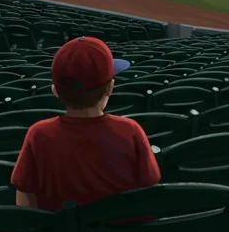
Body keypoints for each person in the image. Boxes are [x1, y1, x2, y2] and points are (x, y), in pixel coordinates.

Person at [11, 36, 161, 211]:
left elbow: (25, 193)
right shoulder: (130, 130)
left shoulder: (39, 134)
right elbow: (150, 185)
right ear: (110, 88)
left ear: (55, 92)